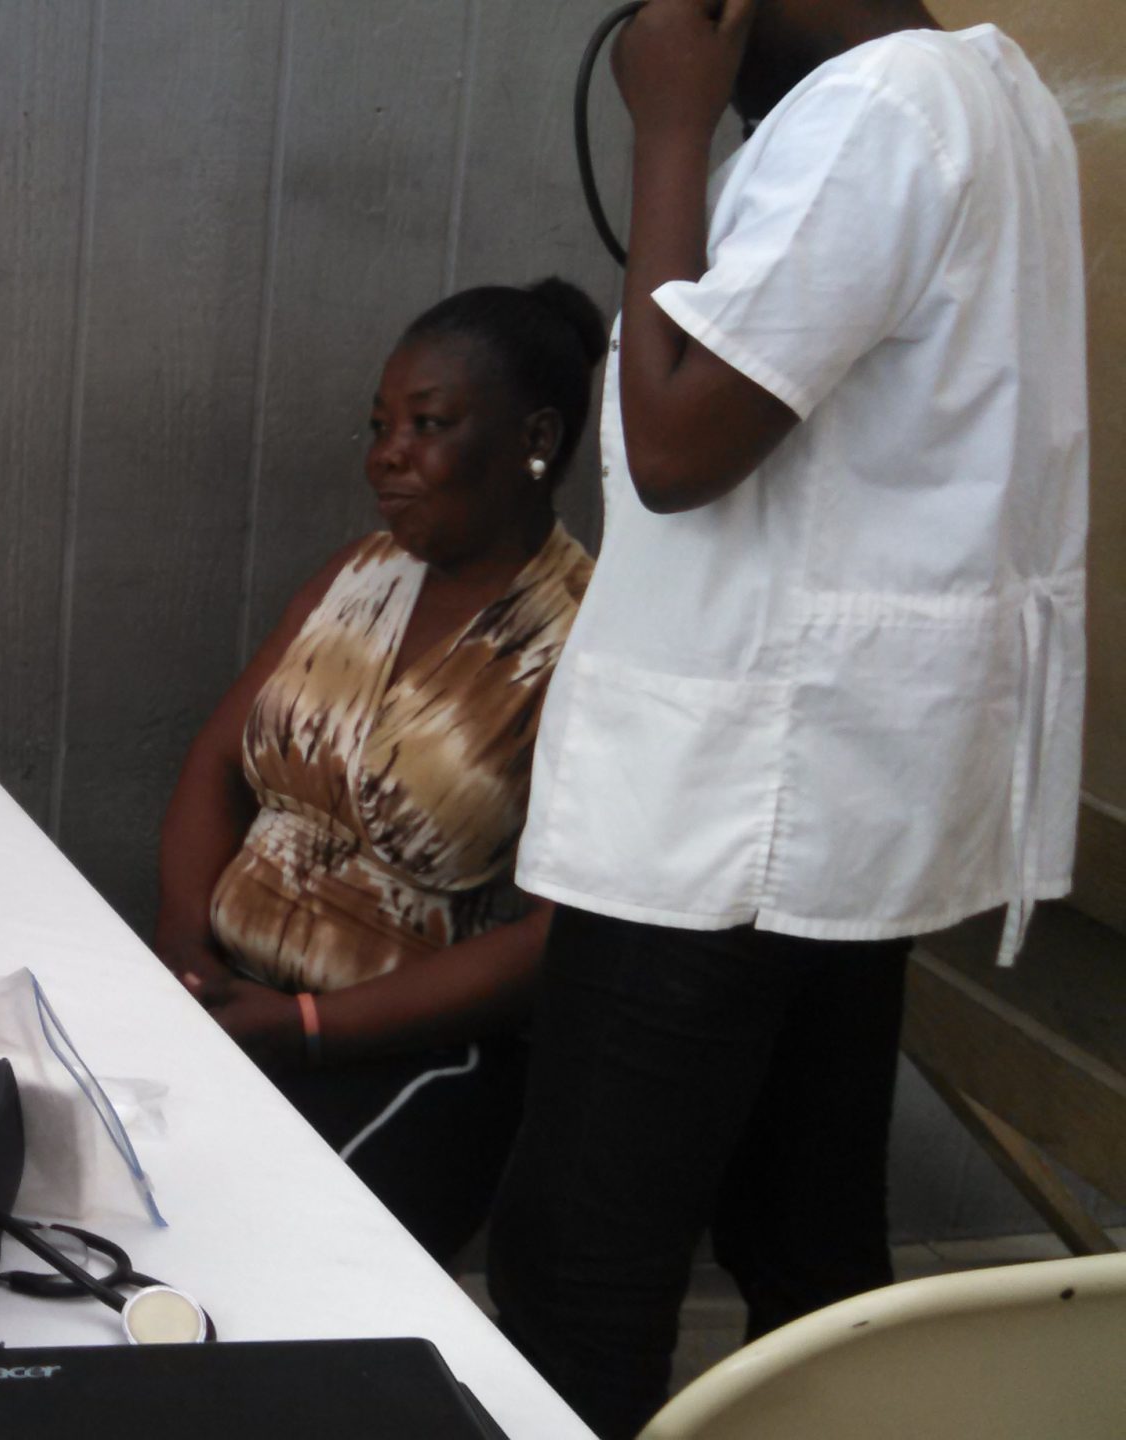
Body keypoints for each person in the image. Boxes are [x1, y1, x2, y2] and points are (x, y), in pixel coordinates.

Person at [487, 0, 1087, 1433]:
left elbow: (676, 441)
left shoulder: (878, 113)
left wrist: (673, 129)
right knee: (804, 1241)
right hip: (827, 795)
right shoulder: (986, 96)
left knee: (577, 1263)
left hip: (732, 806)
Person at [154, 279, 604, 1264]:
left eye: (427, 425)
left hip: (416, 1059)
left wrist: (308, 1026)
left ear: (535, 439)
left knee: (261, 1262)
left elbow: (556, 937)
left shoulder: (587, 639)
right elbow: (217, 763)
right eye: (380, 426)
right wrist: (186, 949)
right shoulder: (357, 576)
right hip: (227, 1003)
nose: (386, 455)